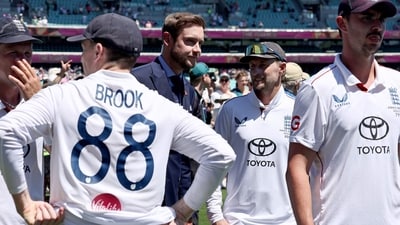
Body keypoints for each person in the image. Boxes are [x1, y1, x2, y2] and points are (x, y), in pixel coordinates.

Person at [0, 13, 235, 225]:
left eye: (84, 49)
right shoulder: (164, 107)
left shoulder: (63, 95)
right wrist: (182, 211)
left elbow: (6, 132)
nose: (82, 57)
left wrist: (25, 205)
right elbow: (221, 155)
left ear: (98, 51)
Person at [286, 1, 400, 225]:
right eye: (367, 17)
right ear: (342, 23)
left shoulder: (397, 83)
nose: (377, 25)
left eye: (381, 19)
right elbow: (297, 167)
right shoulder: (317, 88)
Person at [207, 42, 296, 225]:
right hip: (238, 219)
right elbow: (214, 164)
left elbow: (315, 170)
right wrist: (216, 217)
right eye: (252, 66)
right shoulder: (231, 109)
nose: (255, 72)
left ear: (282, 68)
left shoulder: (298, 109)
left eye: (263, 65)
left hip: (286, 220)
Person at [131, 12, 206, 225]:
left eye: (200, 43)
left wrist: (187, 212)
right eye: (190, 41)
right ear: (167, 39)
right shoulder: (138, 81)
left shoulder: (189, 91)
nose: (198, 50)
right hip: (145, 210)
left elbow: (185, 157)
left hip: (179, 209)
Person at [0, 16, 48, 225]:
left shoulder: (41, 103)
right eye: (13, 53)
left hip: (33, 220)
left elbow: (63, 153)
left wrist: (40, 104)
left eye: (27, 54)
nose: (22, 61)